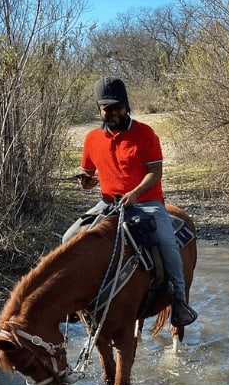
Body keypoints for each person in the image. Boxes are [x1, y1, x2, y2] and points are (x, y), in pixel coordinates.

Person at [75, 76, 197, 327]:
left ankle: (179, 301)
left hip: (147, 203)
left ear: (126, 106)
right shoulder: (91, 139)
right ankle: (76, 301)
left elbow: (155, 172)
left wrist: (135, 194)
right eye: (107, 108)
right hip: (108, 204)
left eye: (118, 107)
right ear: (99, 109)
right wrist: (86, 182)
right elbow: (87, 173)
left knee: (168, 244)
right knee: (68, 238)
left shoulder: (145, 134)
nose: (113, 112)